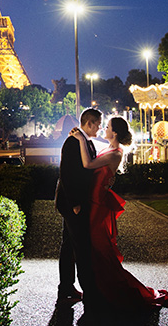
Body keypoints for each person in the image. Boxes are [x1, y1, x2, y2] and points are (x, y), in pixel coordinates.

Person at [71, 117, 168, 315]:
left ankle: (114, 290)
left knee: (100, 247)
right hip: (94, 201)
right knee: (97, 248)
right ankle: (101, 290)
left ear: (115, 133)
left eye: (108, 127)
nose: (104, 128)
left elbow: (88, 164)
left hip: (98, 204)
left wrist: (81, 139)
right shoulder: (110, 148)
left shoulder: (115, 153)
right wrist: (84, 136)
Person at [55, 108, 102, 311]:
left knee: (69, 246)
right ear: (89, 123)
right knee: (81, 247)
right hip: (73, 203)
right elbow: (67, 174)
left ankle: (66, 288)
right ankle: (89, 292)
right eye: (98, 124)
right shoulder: (73, 142)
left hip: (72, 202)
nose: (99, 128)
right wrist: (75, 203)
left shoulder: (82, 141)